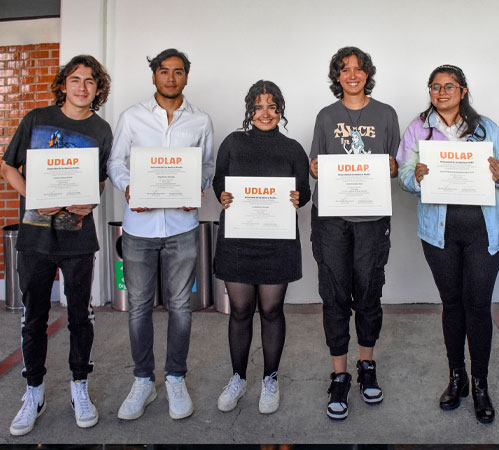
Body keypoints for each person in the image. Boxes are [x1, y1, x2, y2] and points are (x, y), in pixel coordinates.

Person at [397, 64, 499, 424]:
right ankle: (457, 377)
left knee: (478, 306)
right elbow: (404, 173)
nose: (442, 92)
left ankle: (481, 383)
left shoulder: (486, 128)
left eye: (449, 86)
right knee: (452, 305)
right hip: (440, 234)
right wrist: (415, 176)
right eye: (435, 87)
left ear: (463, 91)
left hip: (483, 233)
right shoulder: (419, 128)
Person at [2, 55, 112, 435]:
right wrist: (33, 195)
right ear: (64, 84)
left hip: (78, 238)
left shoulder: (101, 129)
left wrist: (92, 200)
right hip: (36, 237)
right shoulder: (36, 119)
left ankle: (79, 386)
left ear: (98, 90)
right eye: (76, 79)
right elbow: (8, 167)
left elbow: (98, 180)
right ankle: (34, 391)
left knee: (81, 315)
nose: (82, 87)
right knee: (33, 316)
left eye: (90, 81)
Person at [107, 48, 214, 420]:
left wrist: (198, 186)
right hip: (138, 228)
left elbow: (208, 164)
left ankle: (175, 378)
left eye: (178, 71)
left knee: (181, 307)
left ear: (187, 77)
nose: (171, 78)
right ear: (154, 75)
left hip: (182, 227)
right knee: (139, 307)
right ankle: (143, 381)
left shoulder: (200, 121)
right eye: (164, 71)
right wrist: (128, 187)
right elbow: (115, 161)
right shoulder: (132, 117)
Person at [309, 46, 400, 420]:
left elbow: (396, 165)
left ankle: (366, 365)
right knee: (334, 295)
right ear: (337, 76)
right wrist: (315, 168)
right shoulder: (326, 116)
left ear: (367, 74)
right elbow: (315, 163)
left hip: (372, 219)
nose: (352, 75)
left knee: (368, 292)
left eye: (359, 69)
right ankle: (340, 374)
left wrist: (393, 167)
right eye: (344, 69)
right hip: (331, 219)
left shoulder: (386, 114)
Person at [213, 80, 310, 414]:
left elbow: (304, 191)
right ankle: (238, 378)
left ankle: (270, 379)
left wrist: (298, 197)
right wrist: (223, 195)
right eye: (258, 107)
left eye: (272, 106)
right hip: (237, 241)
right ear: (249, 110)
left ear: (280, 110)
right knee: (240, 311)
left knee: (271, 311)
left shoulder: (293, 148)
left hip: (277, 243)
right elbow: (219, 181)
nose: (265, 113)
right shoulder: (233, 142)